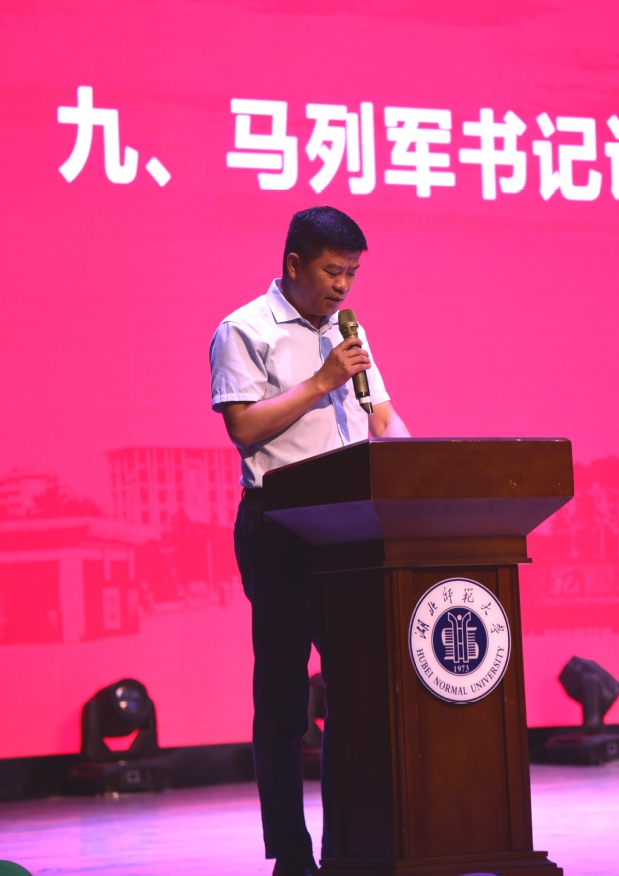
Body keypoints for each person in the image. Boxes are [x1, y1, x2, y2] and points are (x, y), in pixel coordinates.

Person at [209, 206, 409, 876]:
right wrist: (321, 381)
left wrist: (418, 460)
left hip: (352, 529)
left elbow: (380, 415)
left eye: (351, 273)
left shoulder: (349, 332)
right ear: (294, 263)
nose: (342, 286)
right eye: (331, 271)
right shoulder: (244, 329)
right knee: (283, 700)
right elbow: (243, 428)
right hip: (281, 527)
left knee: (359, 688)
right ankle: (291, 854)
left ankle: (350, 843)